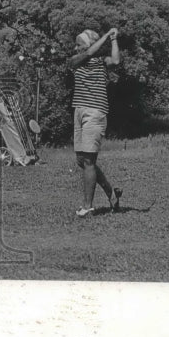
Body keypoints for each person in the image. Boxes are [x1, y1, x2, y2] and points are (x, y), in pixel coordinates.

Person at [68, 27, 123, 216]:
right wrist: (107, 35)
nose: (75, 48)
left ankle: (87, 207)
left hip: (95, 113)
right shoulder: (75, 61)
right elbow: (90, 52)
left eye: (79, 44)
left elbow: (115, 60)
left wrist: (114, 39)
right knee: (81, 160)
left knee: (89, 160)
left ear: (89, 43)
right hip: (79, 112)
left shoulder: (101, 62)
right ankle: (110, 193)